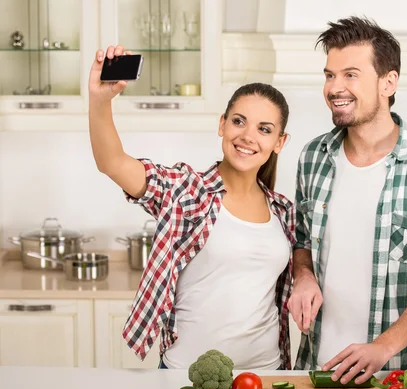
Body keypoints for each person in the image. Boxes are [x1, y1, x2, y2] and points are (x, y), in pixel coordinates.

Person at [88, 45, 296, 370]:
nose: (248, 136)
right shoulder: (186, 190)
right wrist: (100, 101)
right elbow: (112, 163)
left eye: (264, 129)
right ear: (222, 125)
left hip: (266, 375)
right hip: (186, 374)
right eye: (239, 122)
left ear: (279, 143)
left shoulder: (284, 211)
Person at [288, 17, 407, 384]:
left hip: (398, 379)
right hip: (315, 371)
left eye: (350, 75)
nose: (335, 88)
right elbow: (302, 241)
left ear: (388, 82)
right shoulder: (313, 157)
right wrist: (303, 275)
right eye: (329, 75)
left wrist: (382, 348)